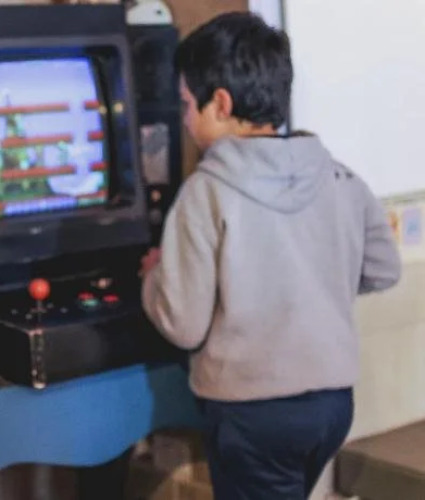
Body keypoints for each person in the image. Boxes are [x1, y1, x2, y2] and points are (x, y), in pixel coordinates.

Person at [139, 12, 401, 499]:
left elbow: (184, 324)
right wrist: (321, 278)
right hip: (331, 406)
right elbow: (384, 268)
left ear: (221, 103)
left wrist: (154, 277)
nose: (185, 120)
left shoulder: (205, 194)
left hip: (253, 412)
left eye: (188, 105)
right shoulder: (338, 177)